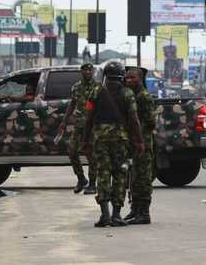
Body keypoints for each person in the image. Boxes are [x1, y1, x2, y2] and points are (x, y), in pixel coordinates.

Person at [82, 61, 144, 227]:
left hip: (100, 140)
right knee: (119, 175)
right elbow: (134, 120)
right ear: (121, 75)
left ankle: (105, 215)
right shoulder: (128, 94)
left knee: (103, 174)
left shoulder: (95, 91)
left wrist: (85, 140)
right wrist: (138, 141)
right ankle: (117, 215)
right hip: (120, 141)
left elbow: (88, 118)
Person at [59, 63, 100, 194]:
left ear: (92, 71)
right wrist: (64, 121)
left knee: (91, 154)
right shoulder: (76, 87)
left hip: (92, 126)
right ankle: (81, 179)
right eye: (85, 70)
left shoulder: (98, 87)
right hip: (79, 125)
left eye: (90, 70)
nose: (88, 72)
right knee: (72, 151)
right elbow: (72, 104)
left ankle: (93, 184)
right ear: (81, 72)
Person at [124, 67, 156, 225]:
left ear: (140, 79)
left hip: (142, 142)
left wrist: (141, 135)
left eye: (133, 78)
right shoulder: (131, 96)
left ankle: (144, 213)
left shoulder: (144, 97)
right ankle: (135, 210)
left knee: (143, 178)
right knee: (134, 178)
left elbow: (151, 121)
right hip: (134, 142)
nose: (129, 81)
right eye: (127, 78)